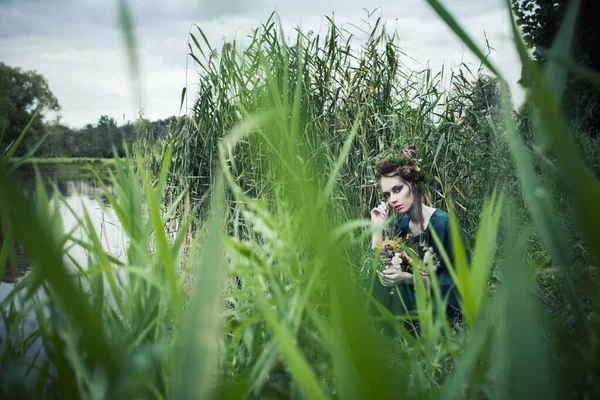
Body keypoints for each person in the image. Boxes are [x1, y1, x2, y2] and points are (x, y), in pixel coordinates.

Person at [364, 144, 467, 332]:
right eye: (387, 195)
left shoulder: (443, 224)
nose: (392, 199)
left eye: (397, 189)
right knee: (366, 284)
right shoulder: (402, 226)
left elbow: (461, 283)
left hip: (443, 305)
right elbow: (379, 265)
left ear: (412, 184)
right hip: (413, 297)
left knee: (379, 293)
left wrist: (407, 278)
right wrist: (377, 227)